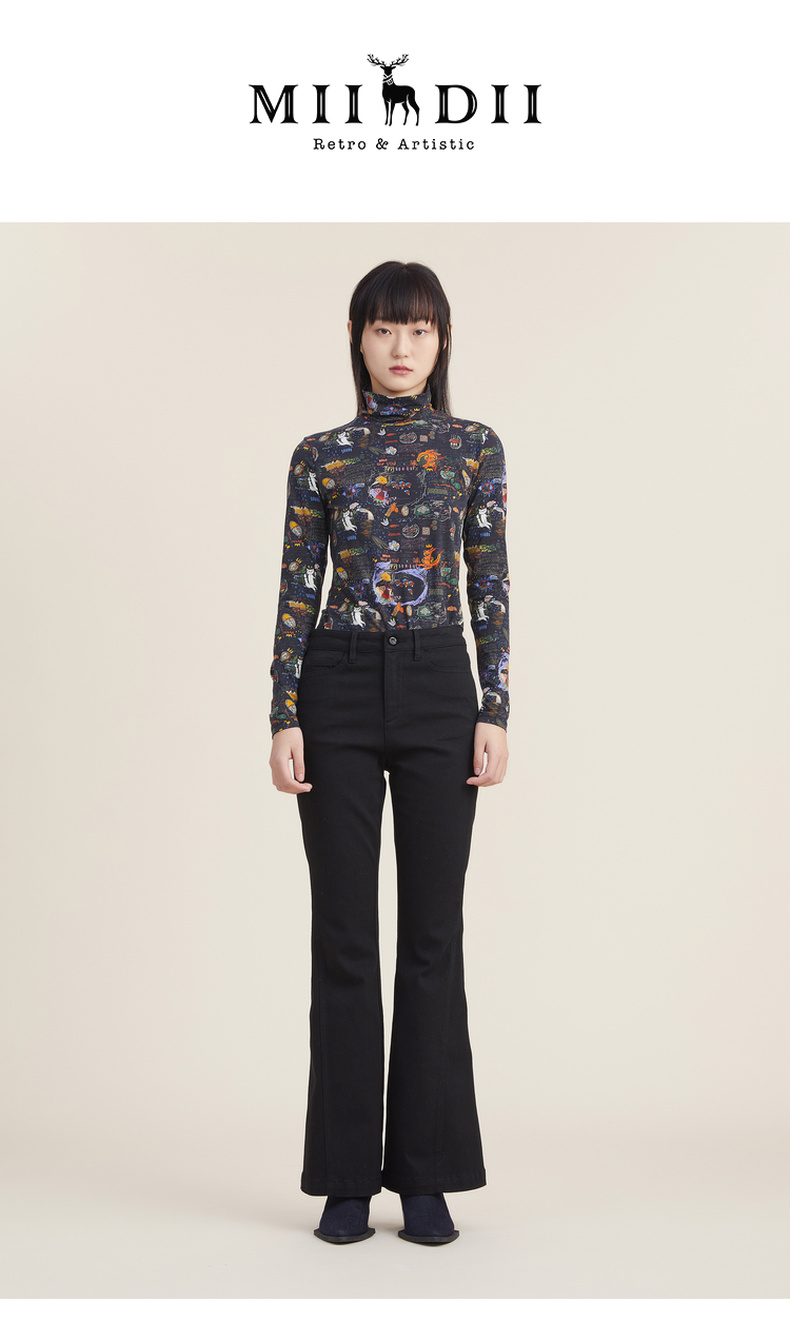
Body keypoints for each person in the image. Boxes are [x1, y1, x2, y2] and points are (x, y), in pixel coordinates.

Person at [268, 260, 510, 1246]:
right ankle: (342, 1178)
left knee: (432, 933)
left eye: (418, 329)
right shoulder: (319, 455)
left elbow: (489, 578)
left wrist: (494, 706)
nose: (401, 347)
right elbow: (297, 582)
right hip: (334, 682)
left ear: (442, 340)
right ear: (356, 338)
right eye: (382, 329)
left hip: (441, 684)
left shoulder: (474, 447)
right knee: (342, 934)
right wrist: (282, 711)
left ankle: (425, 1174)